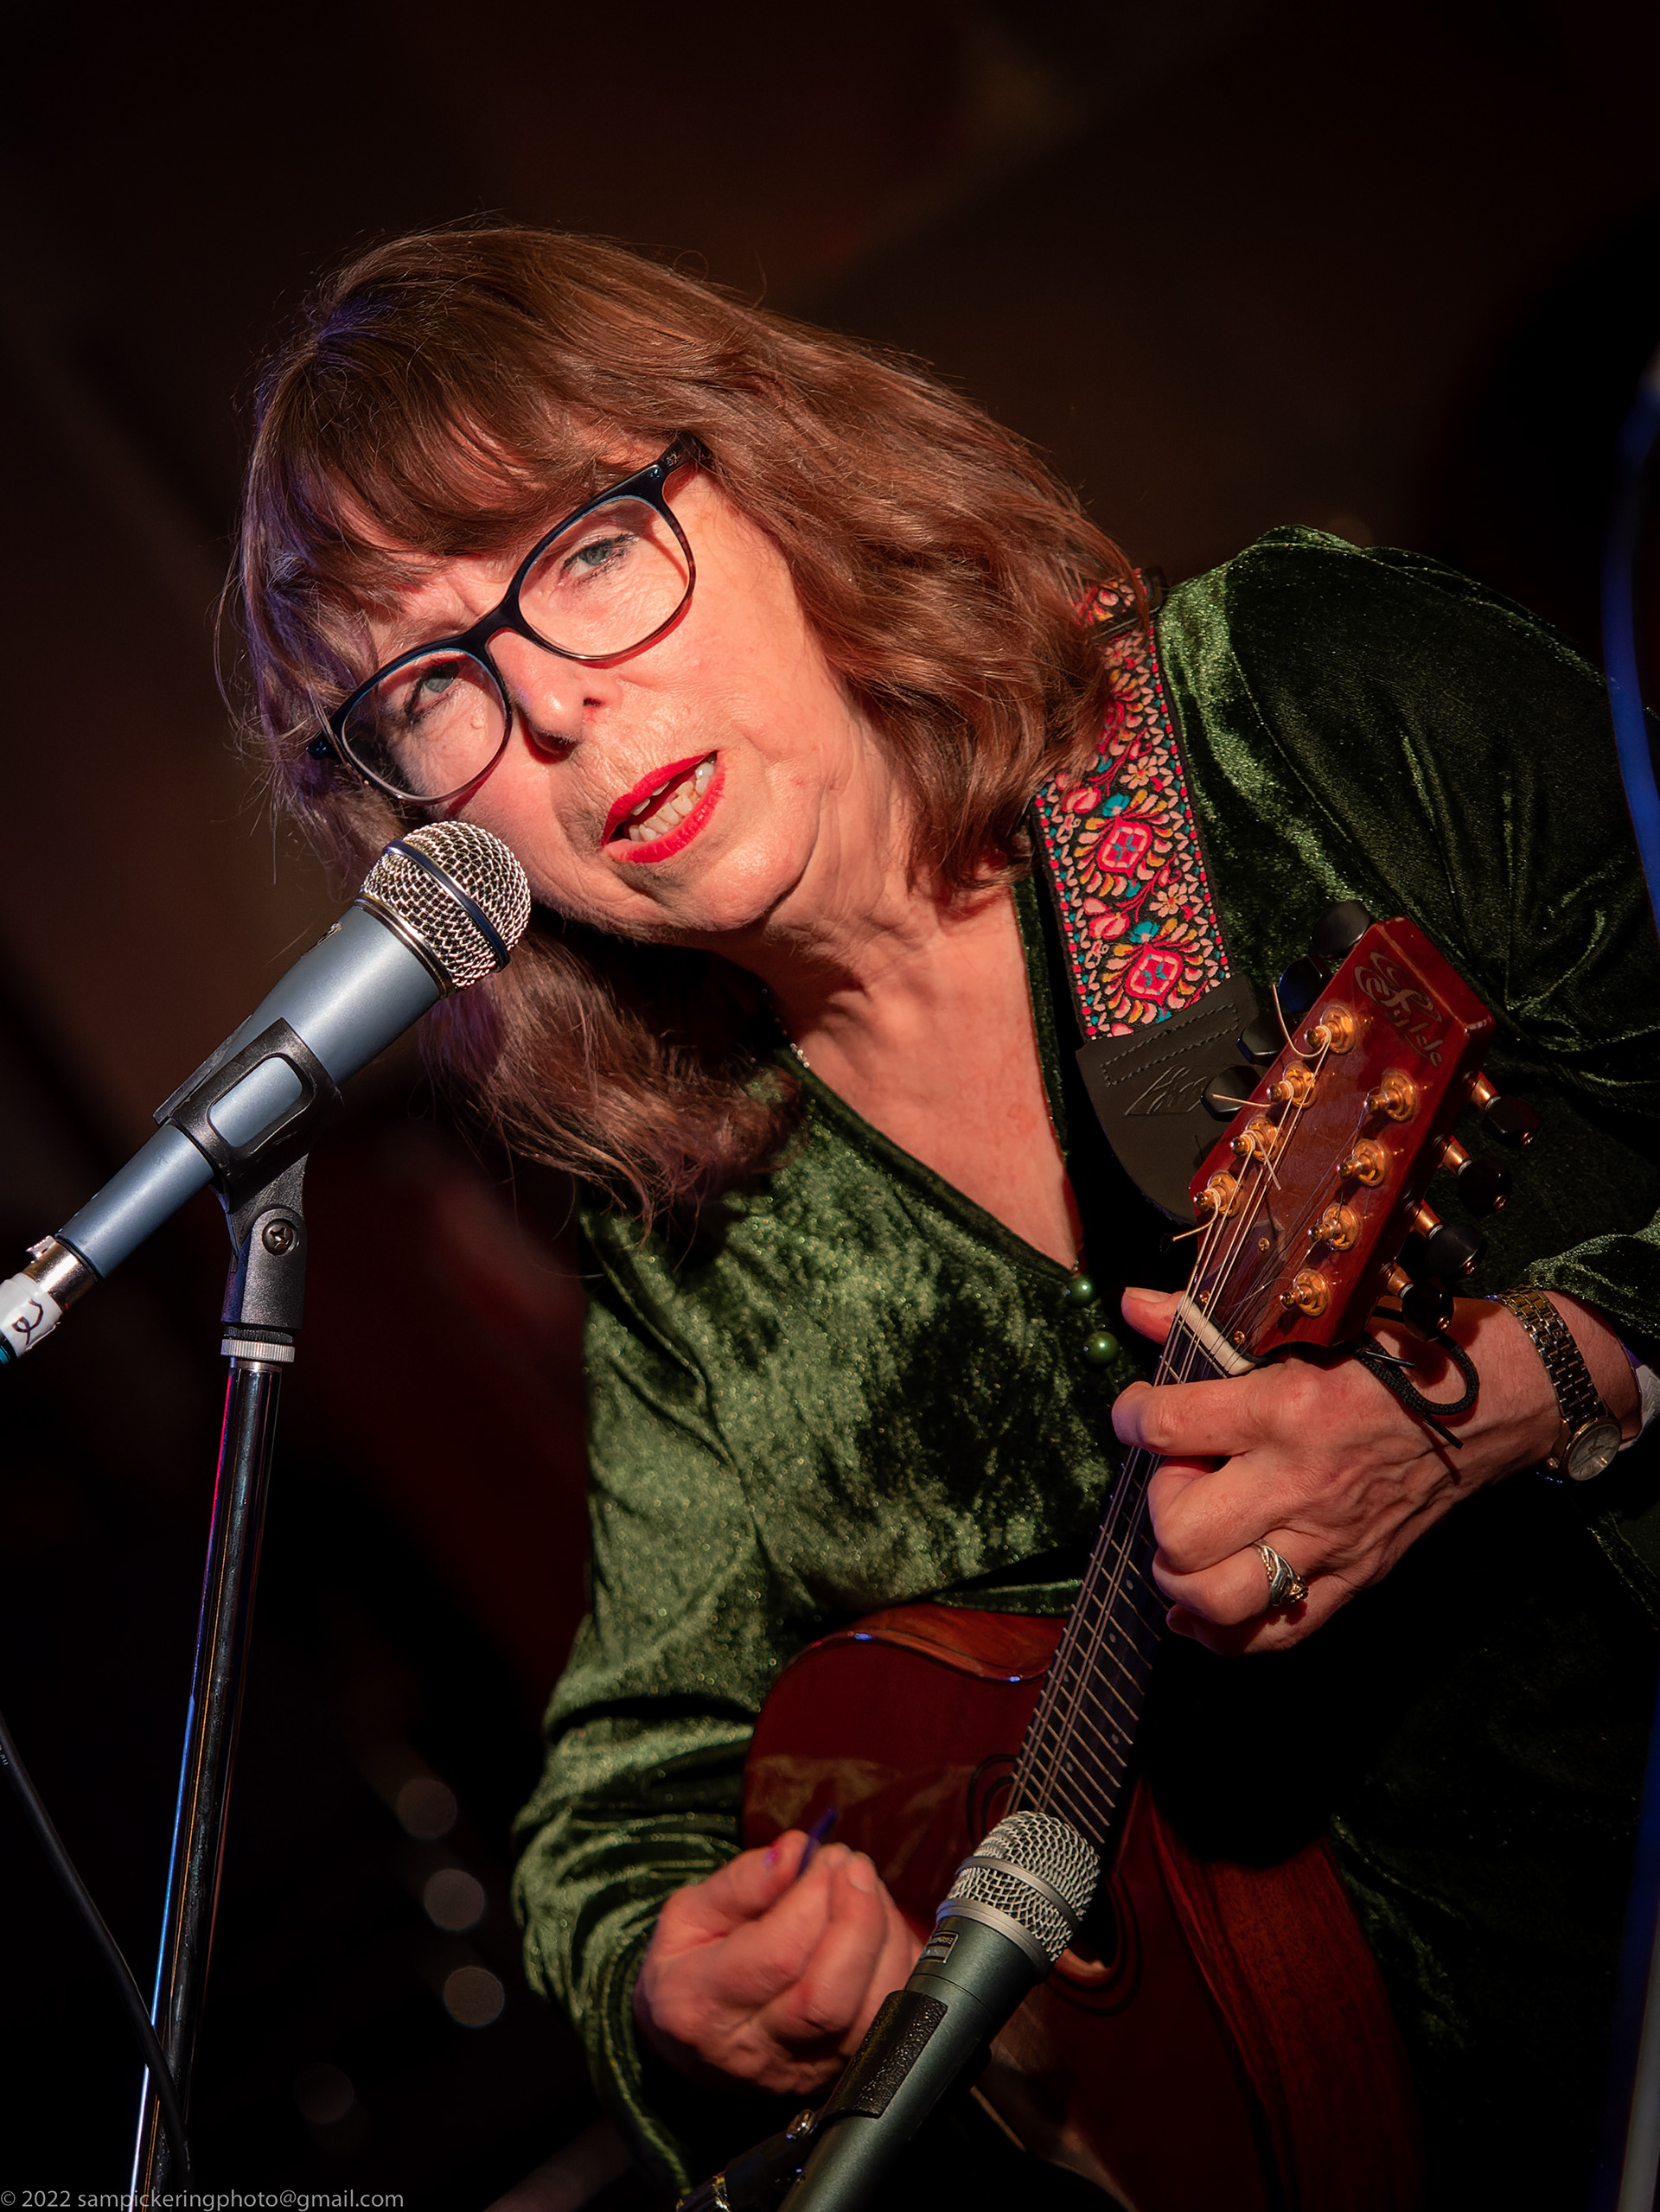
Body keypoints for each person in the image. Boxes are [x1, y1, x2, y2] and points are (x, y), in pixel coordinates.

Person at [233, 226, 1659, 2207]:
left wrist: (1528, 1382)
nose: (551, 707)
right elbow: (618, 1799)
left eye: (588, 553)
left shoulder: (1294, 706)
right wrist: (673, 1975)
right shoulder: (709, 1235)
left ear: (770, 474)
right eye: (434, 691)